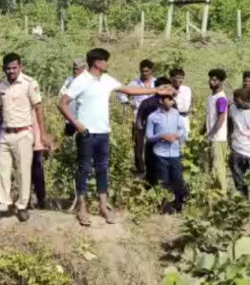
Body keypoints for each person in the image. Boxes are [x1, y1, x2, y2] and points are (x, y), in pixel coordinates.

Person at [59, 48, 171, 226]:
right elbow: (62, 103)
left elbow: (128, 90)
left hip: (103, 132)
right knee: (84, 169)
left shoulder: (106, 80)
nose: (108, 64)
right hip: (86, 133)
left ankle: (103, 206)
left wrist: (156, 90)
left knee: (102, 169)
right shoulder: (81, 81)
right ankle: (82, 208)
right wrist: (76, 124)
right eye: (106, 61)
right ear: (97, 62)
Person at [0, 53, 49, 222]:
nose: (11, 71)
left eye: (14, 68)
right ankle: (4, 205)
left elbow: (38, 109)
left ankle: (22, 206)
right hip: (5, 133)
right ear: (4, 69)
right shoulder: (2, 85)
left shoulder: (29, 84)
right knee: (1, 170)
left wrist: (42, 134)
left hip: (23, 133)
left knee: (23, 171)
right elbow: (0, 110)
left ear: (20, 67)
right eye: (8, 68)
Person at [146, 90, 187, 213]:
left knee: (177, 179)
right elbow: (149, 137)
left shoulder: (176, 114)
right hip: (160, 153)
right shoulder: (153, 117)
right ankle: (165, 208)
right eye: (168, 99)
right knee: (163, 180)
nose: (171, 101)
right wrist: (161, 136)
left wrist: (176, 135)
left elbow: (182, 129)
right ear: (161, 101)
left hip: (174, 152)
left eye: (172, 99)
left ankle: (178, 206)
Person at [136, 77, 173, 187]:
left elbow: (139, 122)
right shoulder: (167, 104)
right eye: (168, 87)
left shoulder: (146, 102)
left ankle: (153, 192)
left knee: (153, 167)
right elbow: (139, 121)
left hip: (154, 141)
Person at [125, 59, 156, 176]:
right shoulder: (134, 83)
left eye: (147, 71)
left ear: (151, 71)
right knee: (138, 145)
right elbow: (121, 92)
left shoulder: (157, 82)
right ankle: (140, 170)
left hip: (154, 118)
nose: (144, 74)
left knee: (154, 144)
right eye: (142, 71)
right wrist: (128, 102)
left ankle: (153, 170)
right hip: (138, 118)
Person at [205, 69, 229, 192]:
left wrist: (211, 134)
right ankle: (214, 191)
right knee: (212, 166)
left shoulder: (221, 98)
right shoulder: (210, 97)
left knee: (219, 166)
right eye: (210, 79)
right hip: (211, 137)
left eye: (214, 80)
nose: (211, 82)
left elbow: (221, 118)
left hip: (218, 138)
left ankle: (223, 192)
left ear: (221, 82)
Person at [59, 59, 87, 137]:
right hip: (70, 117)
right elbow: (62, 93)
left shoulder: (87, 81)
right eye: (74, 69)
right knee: (68, 139)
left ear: (83, 69)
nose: (75, 71)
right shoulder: (69, 80)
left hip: (83, 118)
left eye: (77, 69)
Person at [170, 67, 193, 138]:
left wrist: (191, 111)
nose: (180, 80)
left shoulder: (186, 89)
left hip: (185, 118)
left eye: (181, 78)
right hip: (172, 119)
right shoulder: (167, 90)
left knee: (185, 140)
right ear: (171, 78)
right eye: (177, 77)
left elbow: (191, 101)